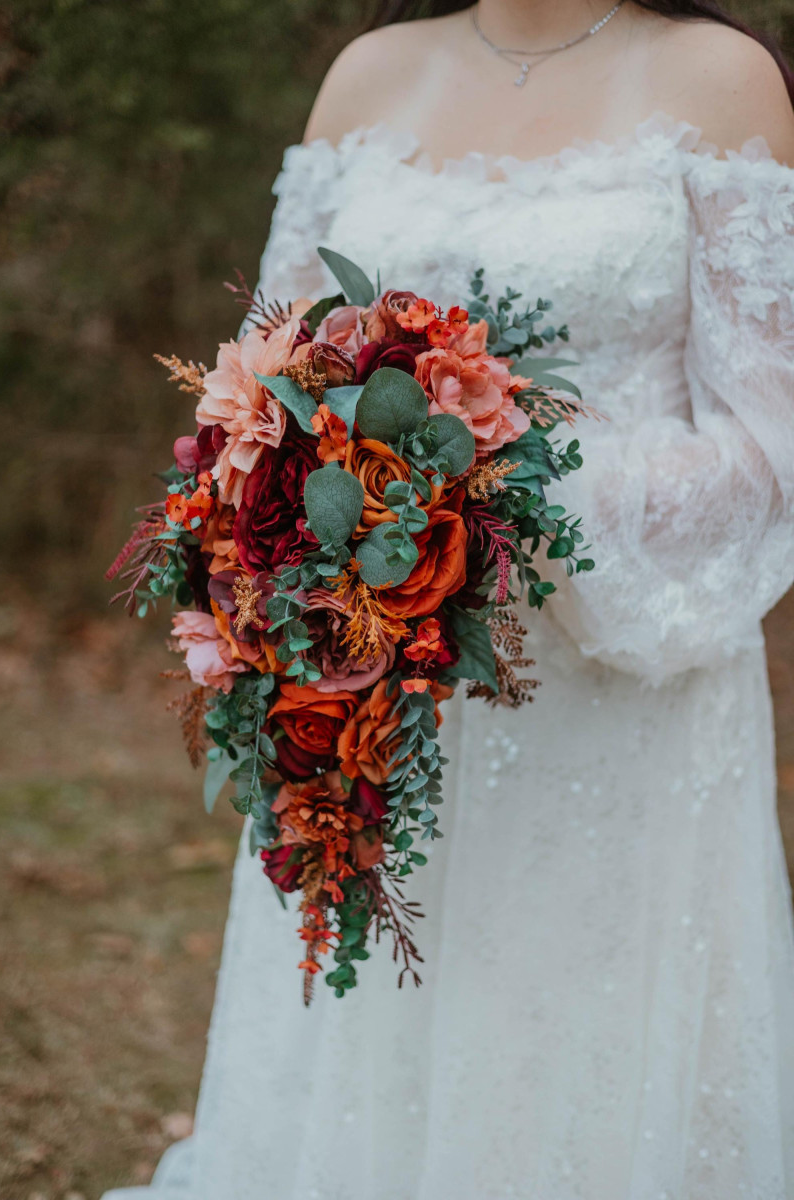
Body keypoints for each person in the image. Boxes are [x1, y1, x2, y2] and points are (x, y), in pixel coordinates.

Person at [104, 2, 794, 1196]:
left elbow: (768, 436)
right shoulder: (365, 77)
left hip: (615, 685)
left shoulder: (721, 79)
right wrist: (298, 530)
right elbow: (265, 379)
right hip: (375, 671)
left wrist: (505, 503)